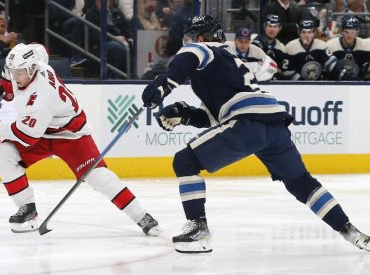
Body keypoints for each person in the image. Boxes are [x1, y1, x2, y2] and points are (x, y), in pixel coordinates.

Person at [141, 14, 370, 254]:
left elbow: (188, 58)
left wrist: (163, 85)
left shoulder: (203, 50)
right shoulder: (227, 61)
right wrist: (184, 115)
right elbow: (215, 116)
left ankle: (199, 229)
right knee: (302, 183)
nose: (187, 42)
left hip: (247, 123)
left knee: (185, 161)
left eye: (190, 37)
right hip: (274, 124)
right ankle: (348, 229)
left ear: (200, 37)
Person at [0, 43, 162, 236]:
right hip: (42, 131)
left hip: (70, 135)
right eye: (12, 71)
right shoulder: (37, 63)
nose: (15, 76)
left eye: (19, 72)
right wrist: (8, 81)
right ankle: (27, 209)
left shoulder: (40, 96)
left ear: (32, 69)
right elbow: (39, 48)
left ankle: (142, 216)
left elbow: (26, 134)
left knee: (98, 177)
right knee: (3, 154)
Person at [284, 19, 355, 80]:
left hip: (318, 85)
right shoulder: (290, 47)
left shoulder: (321, 45)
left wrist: (343, 74)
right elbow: (287, 73)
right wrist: (303, 83)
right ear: (299, 33)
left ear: (314, 33)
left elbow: (332, 64)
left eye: (309, 32)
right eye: (303, 32)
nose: (306, 35)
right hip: (296, 87)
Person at [252, 14, 291, 79]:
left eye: (275, 26)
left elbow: (281, 70)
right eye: (269, 26)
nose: (272, 29)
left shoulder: (281, 47)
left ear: (280, 28)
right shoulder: (254, 42)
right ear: (264, 27)